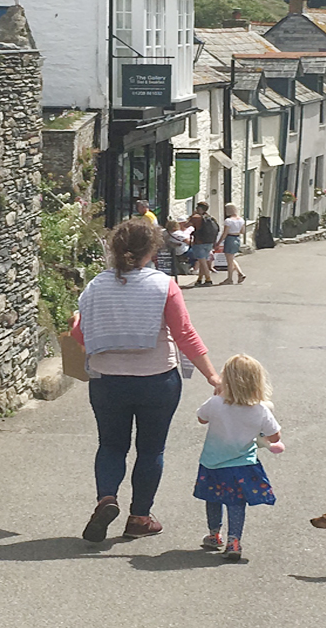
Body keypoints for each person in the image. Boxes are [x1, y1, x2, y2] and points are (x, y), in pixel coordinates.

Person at [72, 219, 222, 542]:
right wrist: (213, 375)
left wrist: (76, 324)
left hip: (107, 379)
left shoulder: (95, 287)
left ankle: (107, 498)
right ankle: (139, 517)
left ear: (114, 250)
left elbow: (79, 334)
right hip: (157, 379)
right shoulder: (163, 286)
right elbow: (184, 334)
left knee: (111, 445)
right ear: (153, 250)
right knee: (150, 449)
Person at [194, 354, 282, 561]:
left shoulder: (215, 403)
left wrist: (218, 394)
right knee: (236, 503)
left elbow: (201, 418)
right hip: (242, 465)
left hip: (213, 463)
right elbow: (274, 436)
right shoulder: (260, 409)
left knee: (213, 498)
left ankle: (215, 534)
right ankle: (234, 540)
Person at [215, 203, 248, 285]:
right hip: (237, 238)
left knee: (229, 261)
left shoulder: (228, 221)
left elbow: (225, 233)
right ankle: (240, 274)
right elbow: (242, 231)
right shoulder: (241, 220)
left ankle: (230, 278)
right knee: (231, 258)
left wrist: (218, 243)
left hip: (230, 238)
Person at [189, 201, 220, 287]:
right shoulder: (210, 217)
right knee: (203, 262)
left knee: (203, 262)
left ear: (199, 209)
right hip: (209, 242)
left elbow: (186, 225)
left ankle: (208, 279)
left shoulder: (196, 217)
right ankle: (199, 279)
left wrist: (191, 216)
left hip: (199, 242)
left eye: (197, 208)